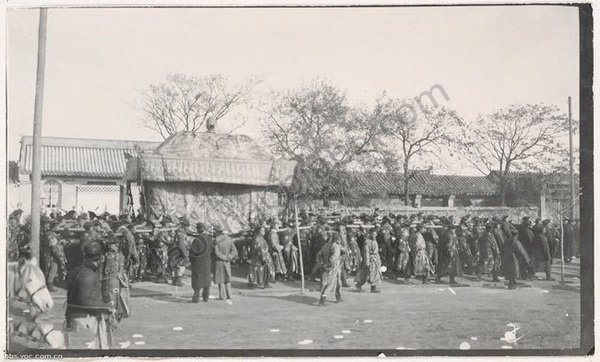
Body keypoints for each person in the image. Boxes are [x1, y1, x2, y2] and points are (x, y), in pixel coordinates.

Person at [65, 240, 114, 349]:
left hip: (72, 317)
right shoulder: (89, 275)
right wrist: (107, 307)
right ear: (100, 258)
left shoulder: (74, 271)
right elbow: (85, 301)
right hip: (86, 321)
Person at [213, 224, 238, 305]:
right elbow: (234, 251)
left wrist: (223, 257)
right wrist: (229, 257)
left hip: (219, 261)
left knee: (221, 279)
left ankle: (222, 295)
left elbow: (216, 252)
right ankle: (229, 295)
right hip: (227, 261)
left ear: (217, 231)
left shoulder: (217, 239)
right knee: (227, 278)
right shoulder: (228, 238)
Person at [189, 223, 213, 303]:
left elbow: (193, 253)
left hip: (198, 263)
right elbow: (212, 250)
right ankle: (206, 297)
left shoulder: (197, 240)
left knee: (197, 279)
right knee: (206, 279)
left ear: (197, 230)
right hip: (207, 262)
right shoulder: (209, 239)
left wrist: (191, 260)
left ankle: (196, 297)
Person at [318, 232, 344, 306]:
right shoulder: (336, 247)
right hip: (333, 267)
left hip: (325, 266)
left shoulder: (325, 246)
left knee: (327, 283)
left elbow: (319, 255)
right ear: (338, 239)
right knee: (330, 284)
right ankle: (322, 300)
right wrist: (330, 264)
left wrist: (321, 263)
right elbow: (334, 258)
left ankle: (338, 297)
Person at [41, 220, 67, 292]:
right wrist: (60, 256)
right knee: (53, 269)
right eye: (58, 226)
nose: (59, 228)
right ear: (55, 227)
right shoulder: (51, 234)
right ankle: (49, 285)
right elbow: (54, 246)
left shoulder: (51, 233)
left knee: (52, 269)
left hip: (50, 253)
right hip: (52, 254)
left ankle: (49, 284)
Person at [170, 217, 191, 286]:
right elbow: (181, 244)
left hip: (174, 251)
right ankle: (178, 280)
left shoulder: (177, 231)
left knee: (174, 266)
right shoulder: (182, 233)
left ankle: (174, 280)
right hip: (179, 252)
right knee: (182, 266)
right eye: (186, 226)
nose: (187, 228)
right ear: (184, 226)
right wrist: (185, 254)